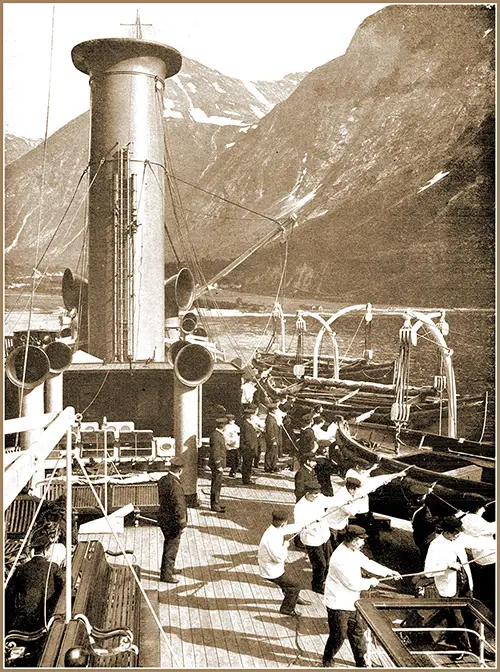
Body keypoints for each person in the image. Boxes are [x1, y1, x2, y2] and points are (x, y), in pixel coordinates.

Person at [322, 525, 401, 667]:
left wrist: (389, 572)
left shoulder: (352, 550)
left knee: (357, 632)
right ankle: (327, 660)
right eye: (361, 540)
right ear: (352, 540)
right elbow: (353, 584)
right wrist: (371, 582)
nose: (363, 543)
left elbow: (367, 563)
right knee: (338, 636)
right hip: (338, 603)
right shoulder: (340, 558)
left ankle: (361, 662)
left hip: (352, 601)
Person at [424, 516, 480, 659]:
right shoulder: (435, 545)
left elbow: (478, 542)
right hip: (450, 589)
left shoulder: (458, 538)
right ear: (447, 532)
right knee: (457, 620)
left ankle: (478, 649)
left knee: (472, 617)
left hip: (465, 586)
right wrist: (447, 567)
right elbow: (428, 571)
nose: (458, 535)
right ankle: (462, 648)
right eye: (455, 533)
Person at [5, 533, 65, 633]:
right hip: (45, 618)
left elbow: (9, 594)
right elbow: (65, 586)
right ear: (46, 551)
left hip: (22, 620)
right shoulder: (53, 568)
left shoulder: (20, 569)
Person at [258, 509, 311, 616]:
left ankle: (293, 597)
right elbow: (279, 558)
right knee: (295, 585)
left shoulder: (274, 529)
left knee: (288, 584)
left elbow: (286, 529)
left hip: (274, 568)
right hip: (271, 571)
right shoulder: (272, 537)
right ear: (284, 522)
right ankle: (287, 608)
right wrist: (285, 546)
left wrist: (302, 526)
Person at [294, 484, 339, 594]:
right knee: (320, 564)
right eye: (314, 494)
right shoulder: (300, 507)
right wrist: (313, 523)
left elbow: (332, 501)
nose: (317, 496)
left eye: (318, 494)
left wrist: (346, 500)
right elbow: (301, 526)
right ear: (307, 494)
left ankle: (325, 581)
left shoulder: (319, 498)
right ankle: (317, 585)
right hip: (312, 540)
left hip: (324, 535)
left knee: (329, 561)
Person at [157, 456, 188, 583]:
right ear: (180, 470)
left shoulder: (163, 479)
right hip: (173, 521)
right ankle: (166, 575)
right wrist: (182, 523)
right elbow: (179, 505)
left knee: (169, 544)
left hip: (164, 518)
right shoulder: (175, 484)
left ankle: (169, 567)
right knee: (172, 546)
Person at [209, 417, 228, 512]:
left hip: (219, 463)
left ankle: (216, 502)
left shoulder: (218, 434)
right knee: (216, 485)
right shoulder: (216, 436)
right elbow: (215, 452)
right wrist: (218, 465)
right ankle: (214, 505)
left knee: (217, 484)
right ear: (223, 426)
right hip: (217, 464)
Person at [240, 404, 259, 485]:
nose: (252, 416)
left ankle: (247, 477)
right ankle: (246, 478)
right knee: (247, 463)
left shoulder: (247, 423)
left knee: (248, 463)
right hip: (248, 447)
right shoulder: (246, 424)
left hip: (249, 446)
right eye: (250, 414)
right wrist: (251, 446)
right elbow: (247, 437)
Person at [264, 401, 281, 473]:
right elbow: (270, 430)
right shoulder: (270, 418)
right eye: (275, 409)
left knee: (274, 452)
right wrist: (273, 439)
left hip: (274, 437)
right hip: (271, 439)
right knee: (271, 453)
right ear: (272, 410)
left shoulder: (272, 417)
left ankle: (273, 466)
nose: (276, 411)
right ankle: (269, 467)